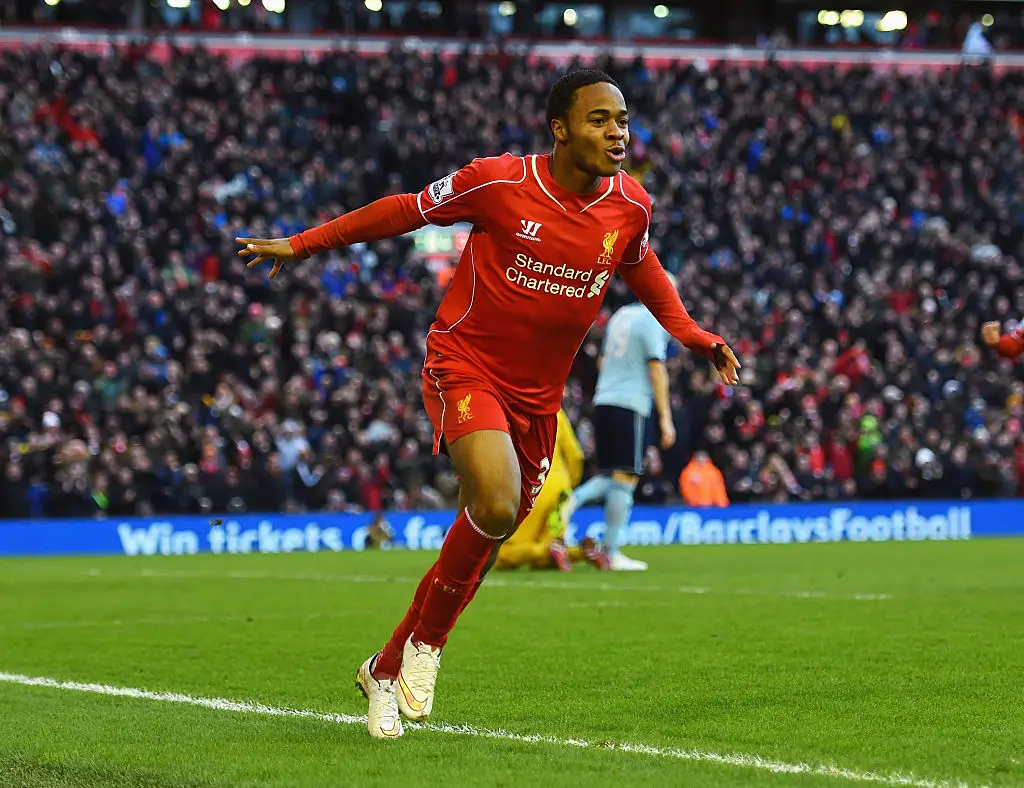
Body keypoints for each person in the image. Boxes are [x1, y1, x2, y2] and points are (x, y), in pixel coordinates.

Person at [237, 69, 740, 739]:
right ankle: (427, 647)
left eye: (622, 119)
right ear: (560, 128)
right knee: (497, 503)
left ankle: (383, 668)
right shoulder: (499, 181)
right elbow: (405, 209)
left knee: (487, 530)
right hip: (464, 365)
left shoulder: (631, 206)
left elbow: (642, 267)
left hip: (538, 401)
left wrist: (693, 335)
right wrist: (303, 243)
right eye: (599, 119)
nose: (617, 132)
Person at [568, 299, 678, 571]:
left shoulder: (621, 315)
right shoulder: (652, 320)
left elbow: (603, 360)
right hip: (630, 403)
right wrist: (666, 419)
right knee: (627, 476)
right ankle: (610, 551)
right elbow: (657, 368)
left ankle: (570, 501)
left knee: (612, 476)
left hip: (603, 401)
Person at [494, 408, 602, 571]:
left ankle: (553, 550)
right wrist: (568, 488)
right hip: (561, 489)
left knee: (504, 555)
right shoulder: (556, 410)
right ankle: (583, 552)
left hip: (532, 486)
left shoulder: (512, 409)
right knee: (543, 561)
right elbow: (576, 455)